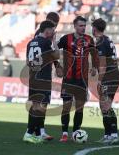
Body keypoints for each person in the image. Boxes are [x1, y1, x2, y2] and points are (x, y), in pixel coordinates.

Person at [57, 16, 98, 142]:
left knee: (80, 107)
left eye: (84, 25)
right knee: (66, 106)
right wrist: (57, 65)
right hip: (68, 79)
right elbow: (54, 51)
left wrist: (95, 67)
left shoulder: (89, 39)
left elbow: (94, 54)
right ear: (74, 26)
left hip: (82, 80)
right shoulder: (66, 39)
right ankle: (64, 133)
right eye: (80, 25)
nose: (83, 28)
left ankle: (76, 132)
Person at [23, 21, 60, 144]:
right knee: (41, 108)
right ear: (47, 31)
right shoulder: (46, 42)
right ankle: (28, 134)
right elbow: (56, 55)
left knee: (35, 106)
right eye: (52, 30)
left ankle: (38, 135)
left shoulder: (30, 43)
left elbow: (28, 62)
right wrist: (54, 41)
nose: (53, 32)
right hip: (43, 79)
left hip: (33, 78)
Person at [33, 12, 63, 140]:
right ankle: (37, 130)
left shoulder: (42, 36)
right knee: (40, 103)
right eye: (53, 25)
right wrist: (57, 64)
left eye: (55, 26)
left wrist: (56, 66)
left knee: (42, 103)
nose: (54, 28)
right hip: (42, 73)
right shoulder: (44, 36)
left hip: (41, 72)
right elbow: (53, 53)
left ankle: (38, 130)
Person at [91, 18, 119, 145]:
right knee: (103, 106)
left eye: (92, 27)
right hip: (112, 75)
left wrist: (99, 81)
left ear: (95, 29)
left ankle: (114, 135)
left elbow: (103, 64)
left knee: (106, 105)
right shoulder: (107, 39)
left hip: (109, 76)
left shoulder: (101, 42)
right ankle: (108, 135)